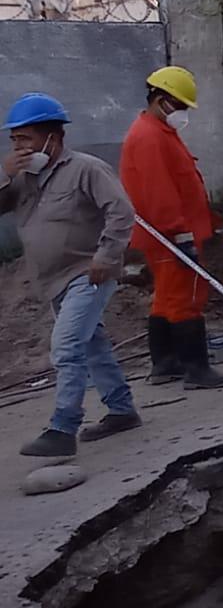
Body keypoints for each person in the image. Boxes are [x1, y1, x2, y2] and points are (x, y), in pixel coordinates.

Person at [2, 93, 139, 458]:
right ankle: (122, 409)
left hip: (87, 274)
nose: (19, 147)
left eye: (25, 139)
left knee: (66, 346)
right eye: (14, 140)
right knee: (90, 342)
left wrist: (106, 255)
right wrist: (6, 174)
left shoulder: (86, 169)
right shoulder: (23, 178)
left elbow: (122, 212)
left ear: (53, 138)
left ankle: (63, 426)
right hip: (54, 280)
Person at [120, 66, 223, 394]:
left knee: (166, 298)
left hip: (167, 233)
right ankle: (196, 368)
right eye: (180, 106)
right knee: (186, 298)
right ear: (161, 100)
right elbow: (160, 193)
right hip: (170, 234)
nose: (183, 113)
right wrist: (180, 235)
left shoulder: (157, 133)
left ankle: (165, 362)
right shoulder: (149, 137)